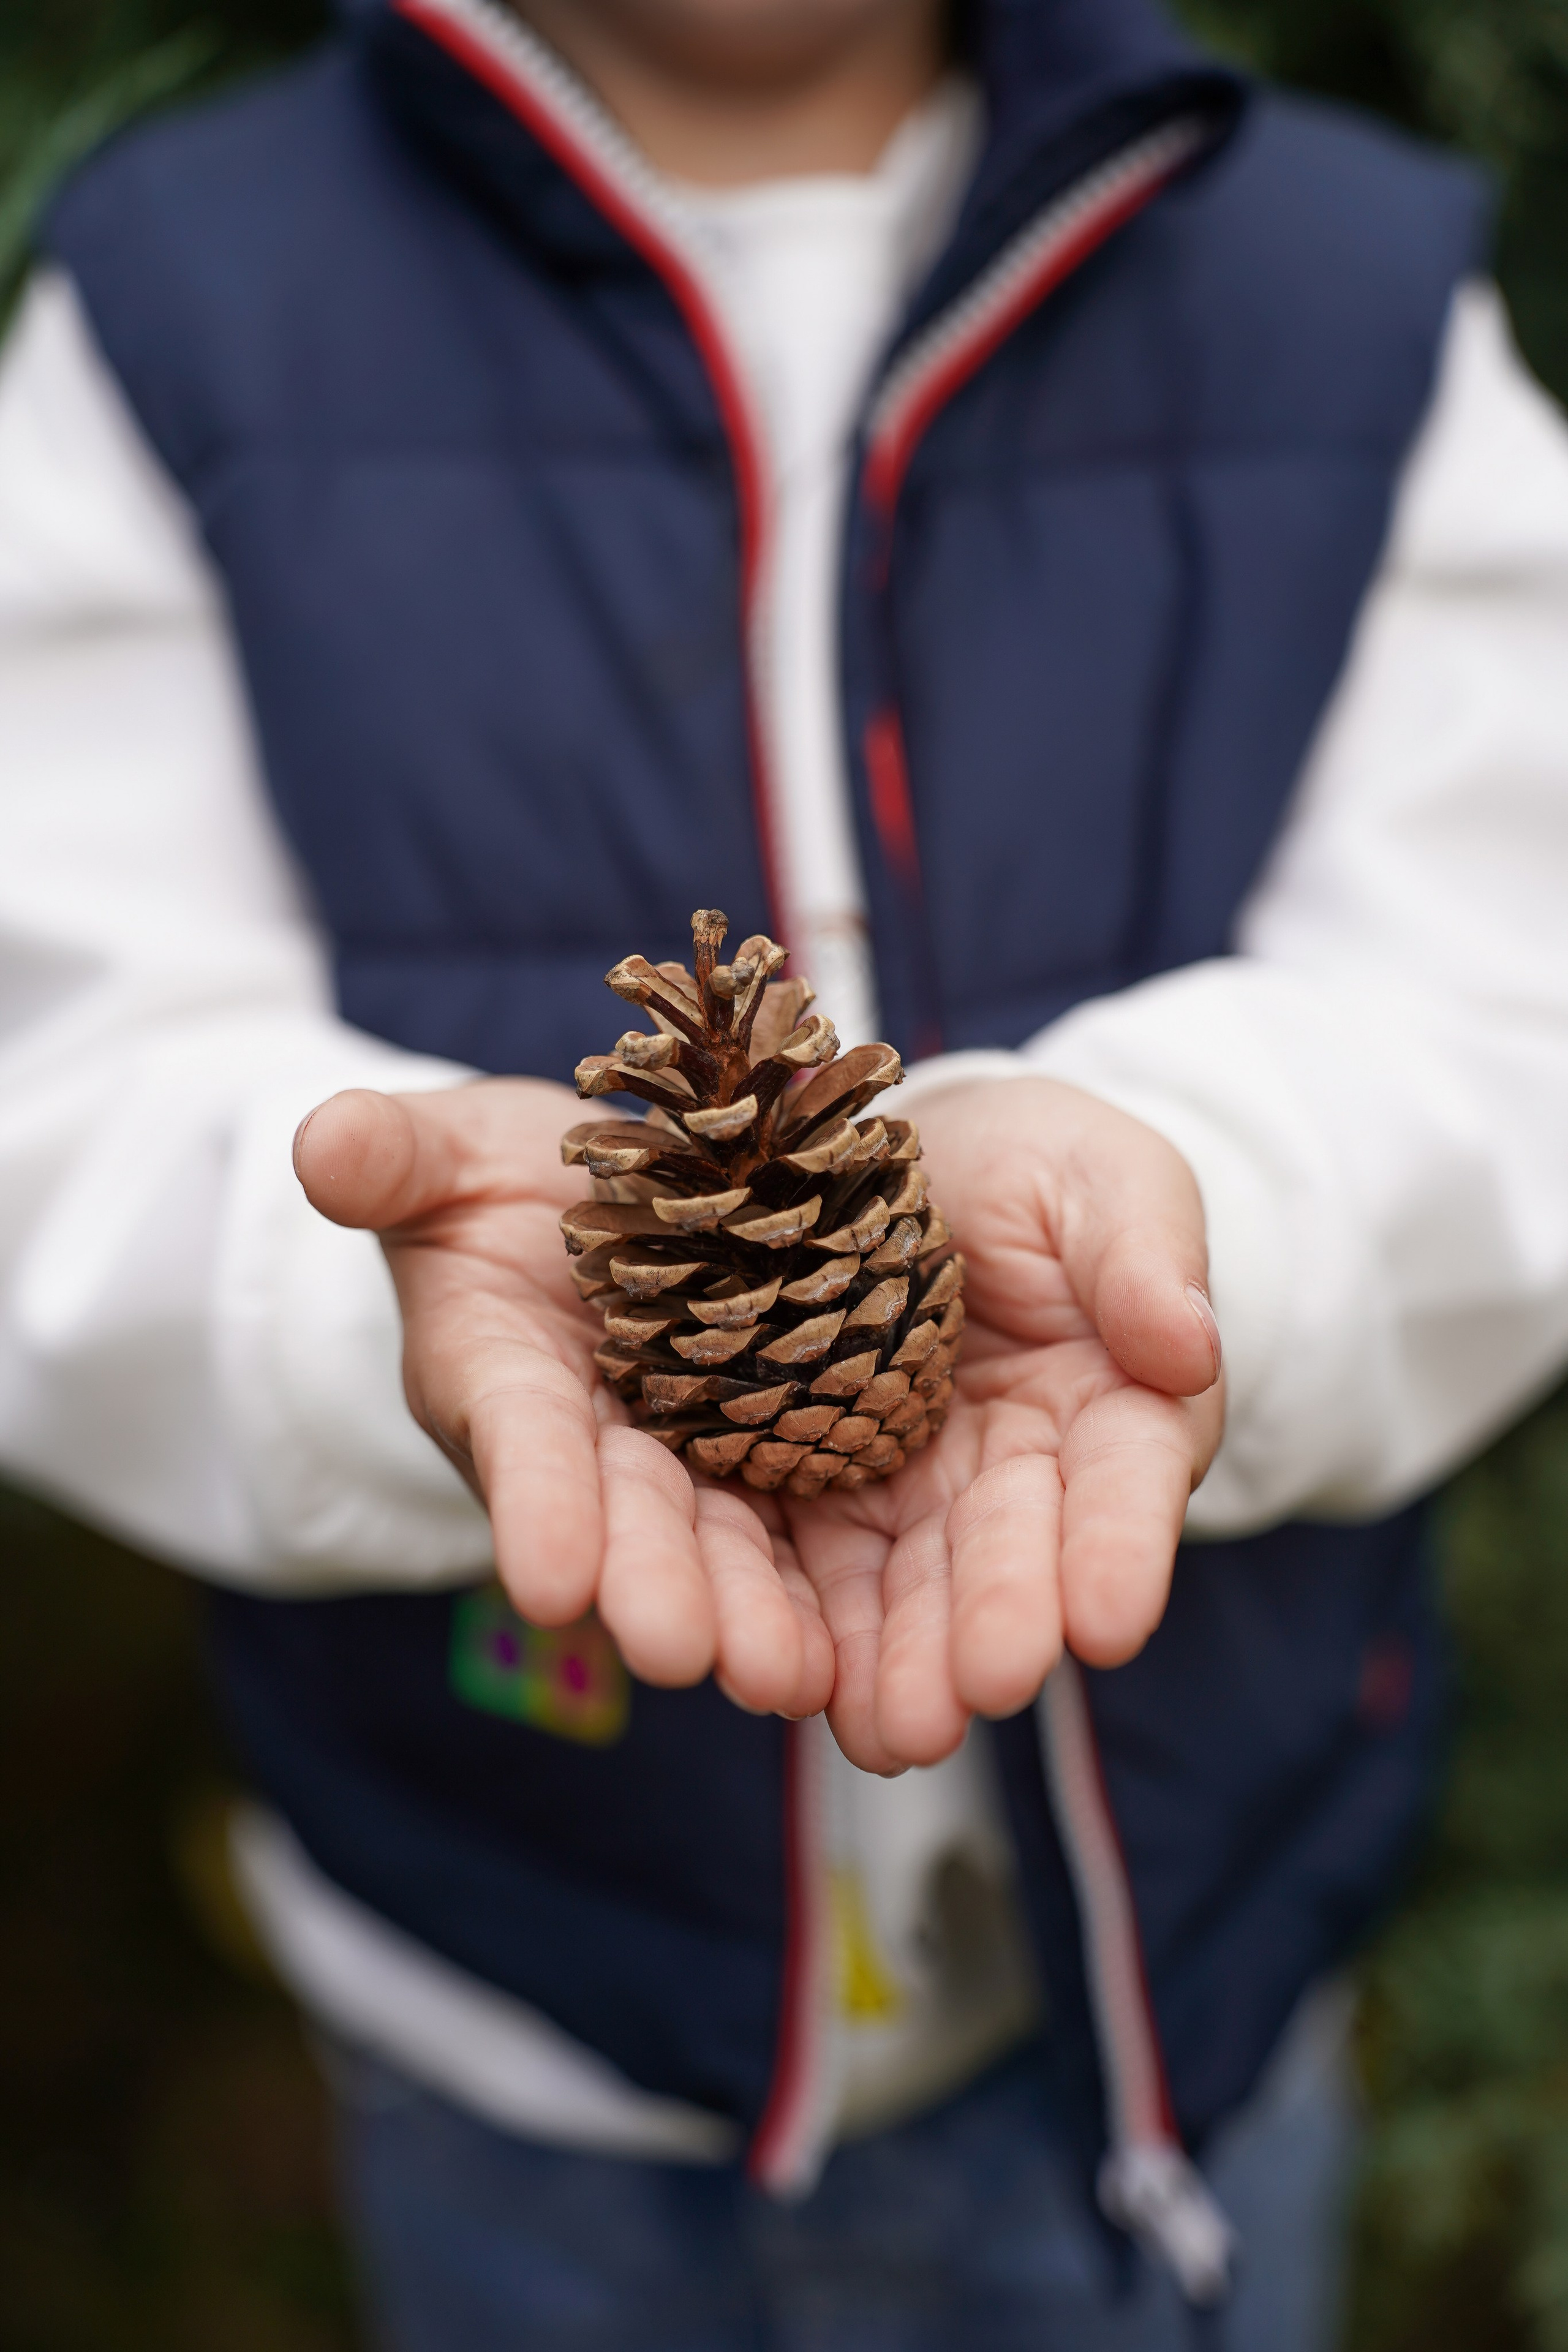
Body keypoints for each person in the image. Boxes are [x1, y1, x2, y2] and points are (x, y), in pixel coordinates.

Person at [3, 0, 1568, 2341]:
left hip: (1171, 2025)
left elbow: (1512, 1002)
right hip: (518, 2017)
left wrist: (1195, 1183)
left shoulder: (1337, 285)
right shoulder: (177, 296)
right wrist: (369, 1290)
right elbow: (63, 1073)